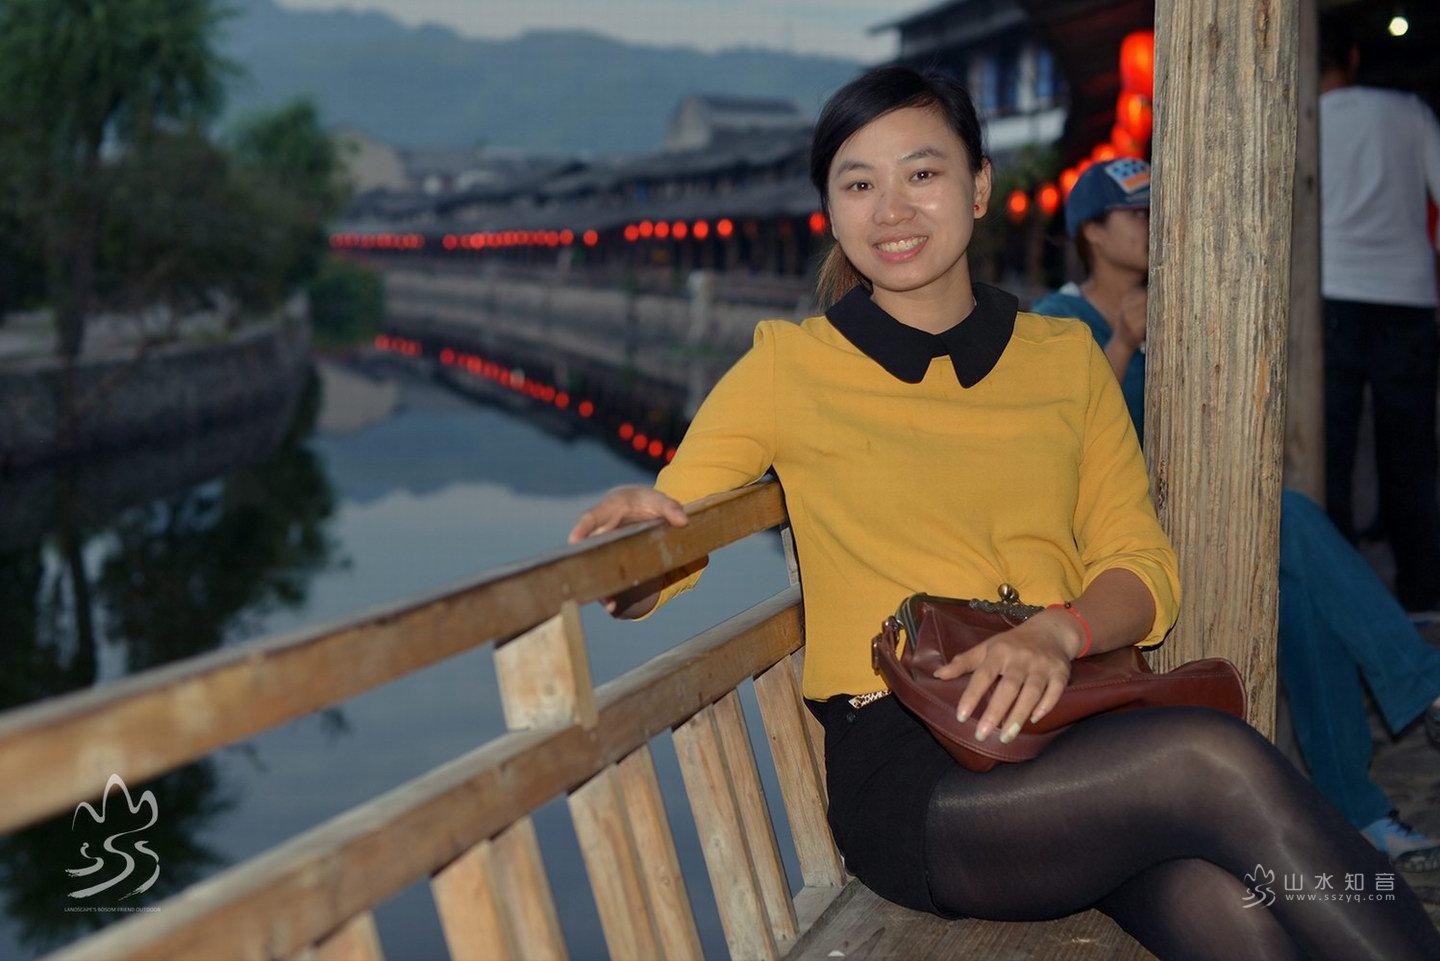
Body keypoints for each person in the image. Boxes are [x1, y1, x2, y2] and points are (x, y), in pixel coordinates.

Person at [571, 66, 1440, 959]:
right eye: (859, 184)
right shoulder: (788, 365)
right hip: (918, 759)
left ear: (979, 187)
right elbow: (660, 548)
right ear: (831, 209)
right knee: (1213, 758)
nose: (892, 209)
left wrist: (1057, 632)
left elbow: (1144, 568)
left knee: (1231, 908)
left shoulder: (1063, 357)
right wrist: (635, 537)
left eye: (923, 173)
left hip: (1078, 721)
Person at [1033, 156, 1440, 874]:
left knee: (1300, 593)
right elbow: (1061, 444)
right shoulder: (1055, 320)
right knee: (1291, 516)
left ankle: (1362, 813)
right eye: (1137, 214)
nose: (1154, 225)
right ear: (1091, 231)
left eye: (1159, 210)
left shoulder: (1177, 305)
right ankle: (1422, 685)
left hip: (1192, 514)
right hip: (1118, 553)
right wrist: (1122, 343)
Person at [1317, 17, 1440, 612]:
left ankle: (1344, 603)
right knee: (1410, 454)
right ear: (1354, 57)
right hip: (1407, 298)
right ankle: (1420, 594)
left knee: (1331, 454)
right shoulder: (1409, 113)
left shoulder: (1304, 122)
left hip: (1331, 296)